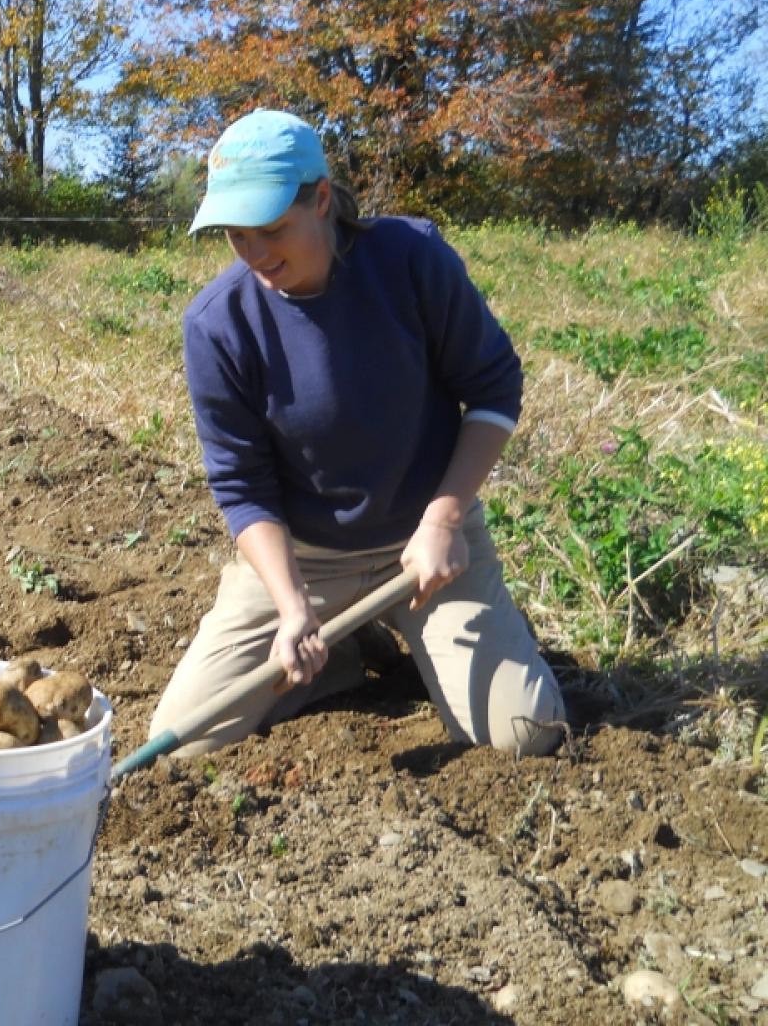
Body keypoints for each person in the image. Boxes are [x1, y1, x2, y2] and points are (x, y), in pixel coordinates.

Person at [150, 109, 564, 759]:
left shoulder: (410, 260)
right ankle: (341, 647)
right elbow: (242, 485)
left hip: (427, 546)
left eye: (271, 229)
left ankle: (422, 626)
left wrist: (444, 521)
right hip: (305, 560)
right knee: (184, 743)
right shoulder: (217, 325)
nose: (254, 254)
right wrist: (290, 606)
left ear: (321, 200)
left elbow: (494, 388)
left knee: (524, 736)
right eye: (235, 235)